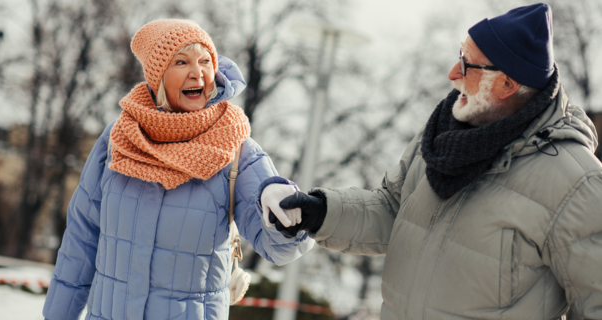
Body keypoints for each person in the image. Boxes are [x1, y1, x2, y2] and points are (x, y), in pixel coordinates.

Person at [262, 3, 602, 320]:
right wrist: (321, 212)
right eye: (459, 57)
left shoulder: (575, 182)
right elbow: (394, 210)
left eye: (468, 65)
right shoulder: (442, 137)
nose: (453, 73)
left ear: (507, 84)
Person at [42, 19, 313, 320]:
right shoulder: (120, 138)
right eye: (181, 62)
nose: (197, 72)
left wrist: (290, 217)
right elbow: (82, 237)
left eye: (205, 61)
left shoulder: (236, 149)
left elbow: (280, 249)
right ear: (158, 76)